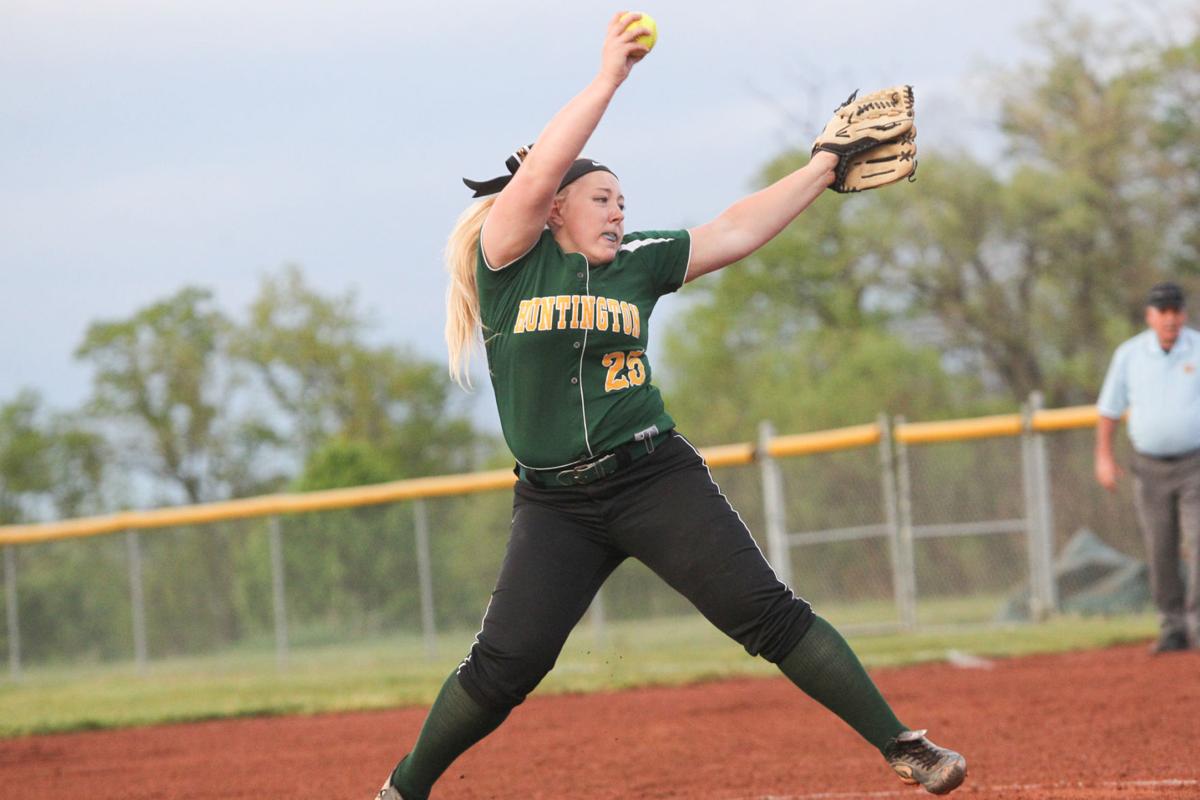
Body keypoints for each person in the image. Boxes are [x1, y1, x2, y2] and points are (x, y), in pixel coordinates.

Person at [376, 14, 965, 798]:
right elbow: (545, 164)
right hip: (555, 507)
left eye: (623, 199)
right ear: (554, 207)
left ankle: (903, 745)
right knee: (504, 667)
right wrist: (610, 78)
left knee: (769, 616)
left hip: (654, 480)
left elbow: (734, 229)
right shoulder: (509, 263)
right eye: (603, 198)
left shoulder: (639, 264)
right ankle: (403, 789)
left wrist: (823, 166)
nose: (620, 211)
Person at [1096, 280, 1200, 654]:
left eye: (1176, 310)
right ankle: (1172, 627)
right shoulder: (1130, 355)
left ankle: (1198, 625)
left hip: (1195, 465)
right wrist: (1104, 457)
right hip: (1149, 468)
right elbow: (1108, 410)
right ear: (1150, 316)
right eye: (1163, 311)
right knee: (1161, 548)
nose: (1170, 318)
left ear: (1184, 314)